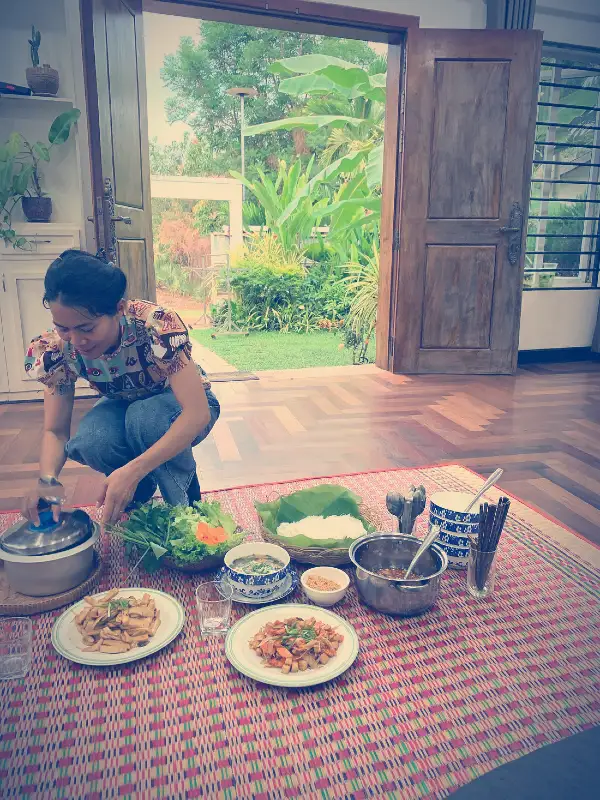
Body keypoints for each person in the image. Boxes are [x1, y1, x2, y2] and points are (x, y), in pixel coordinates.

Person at [23, 249, 220, 526]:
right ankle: (136, 498)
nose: (76, 340)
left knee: (144, 419)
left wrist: (134, 468)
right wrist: (47, 481)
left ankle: (188, 511)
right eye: (63, 328)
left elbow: (197, 413)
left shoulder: (155, 326)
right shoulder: (56, 351)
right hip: (124, 404)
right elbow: (55, 431)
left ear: (118, 309)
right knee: (92, 440)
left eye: (87, 328)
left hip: (180, 404)